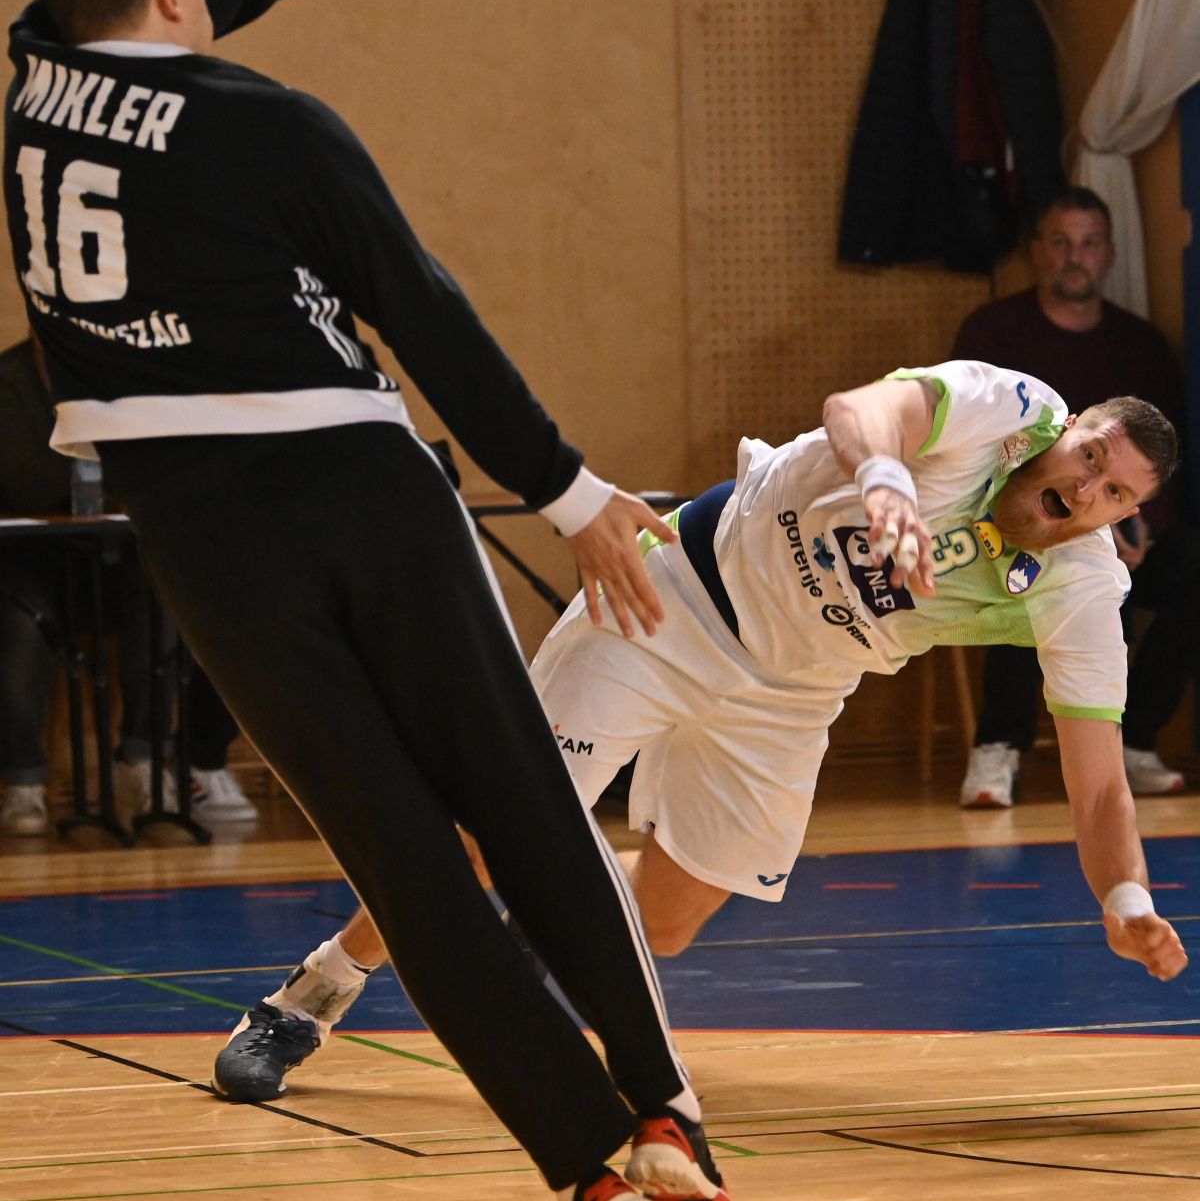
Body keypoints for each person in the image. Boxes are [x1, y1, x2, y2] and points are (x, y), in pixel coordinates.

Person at [3, 0, 732, 1201]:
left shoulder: (37, 82)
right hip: (355, 491)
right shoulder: (270, 126)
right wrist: (570, 491)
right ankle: (660, 1109)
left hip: (198, 537)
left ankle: (588, 1178)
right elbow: (427, 311)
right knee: (521, 799)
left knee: (404, 864)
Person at [221, 358, 1188, 1085]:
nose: (1088, 489)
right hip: (676, 598)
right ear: (1067, 430)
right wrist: (888, 480)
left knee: (669, 923)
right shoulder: (1005, 407)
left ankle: (544, 906)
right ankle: (312, 996)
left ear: (1124, 516)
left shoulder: (1081, 585)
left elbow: (1099, 782)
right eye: (1091, 457)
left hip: (793, 689)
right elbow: (859, 412)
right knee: (492, 832)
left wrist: (1125, 900)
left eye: (1117, 493)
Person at [954, 187, 1196, 807]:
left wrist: (1139, 529)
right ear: (1037, 250)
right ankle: (998, 746)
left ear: (1109, 253)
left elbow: (1166, 466)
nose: (1074, 257)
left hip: (1119, 522)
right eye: (1060, 242)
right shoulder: (993, 330)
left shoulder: (1142, 345)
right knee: (1021, 563)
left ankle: (1135, 740)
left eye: (1088, 244)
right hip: (1014, 512)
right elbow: (968, 442)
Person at [0, 335, 242, 833]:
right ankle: (24, 783)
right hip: (34, 563)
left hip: (124, 558)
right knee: (20, 623)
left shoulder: (132, 369)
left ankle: (145, 760)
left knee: (167, 597)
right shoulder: (9, 383)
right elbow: (22, 481)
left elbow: (171, 468)